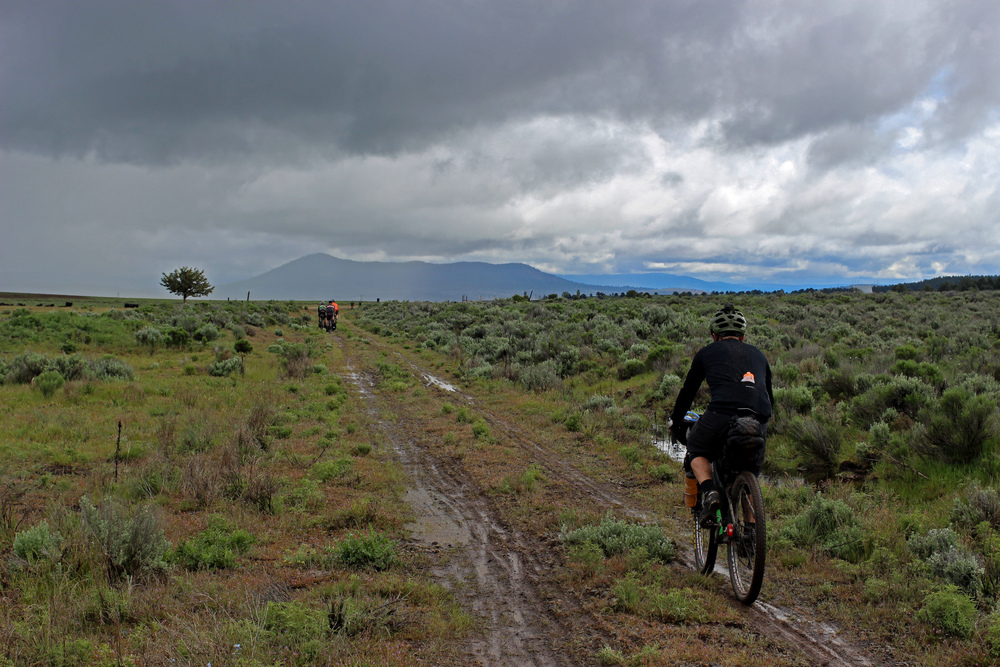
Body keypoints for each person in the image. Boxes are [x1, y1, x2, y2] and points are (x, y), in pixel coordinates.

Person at [670, 304, 773, 527]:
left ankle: (709, 493)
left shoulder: (706, 352)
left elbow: (688, 393)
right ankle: (752, 530)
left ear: (715, 336)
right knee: (749, 470)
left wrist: (676, 423)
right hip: (757, 419)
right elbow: (770, 399)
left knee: (696, 449)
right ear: (743, 336)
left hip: (721, 414)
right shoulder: (759, 355)